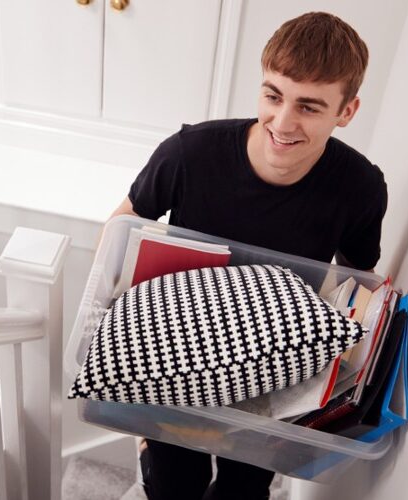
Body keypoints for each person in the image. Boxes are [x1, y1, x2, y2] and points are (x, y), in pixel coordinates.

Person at [108, 11, 388, 500]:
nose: (283, 122)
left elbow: (359, 279)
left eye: (308, 107)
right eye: (273, 96)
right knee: (175, 484)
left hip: (272, 364)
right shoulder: (189, 153)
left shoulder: (360, 187)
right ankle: (152, 456)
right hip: (178, 351)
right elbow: (124, 222)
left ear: (347, 111)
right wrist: (116, 333)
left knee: (244, 490)